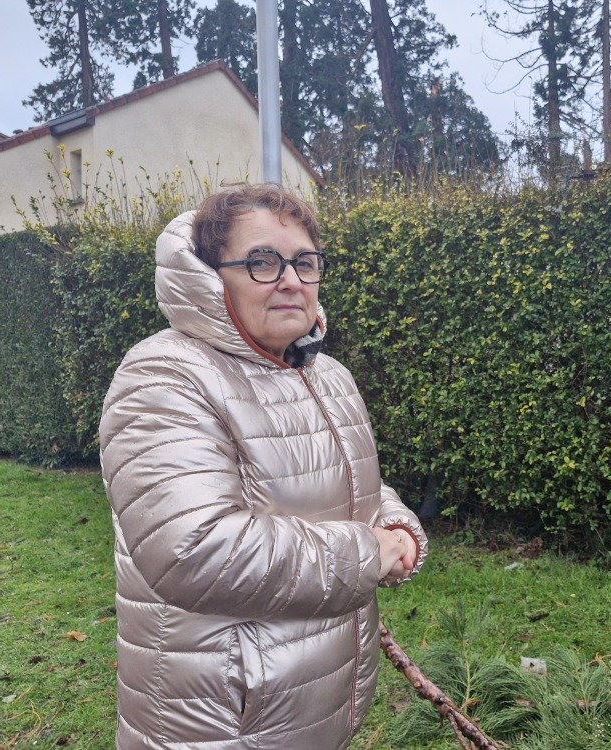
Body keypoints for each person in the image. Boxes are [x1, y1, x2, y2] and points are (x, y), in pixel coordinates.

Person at [99, 183, 427, 749]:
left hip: (313, 698)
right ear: (210, 274)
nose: (291, 280)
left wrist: (396, 526)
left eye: (305, 262)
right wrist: (367, 553)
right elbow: (195, 551)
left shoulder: (326, 375)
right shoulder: (164, 376)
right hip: (223, 716)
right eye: (262, 261)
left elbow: (344, 482)